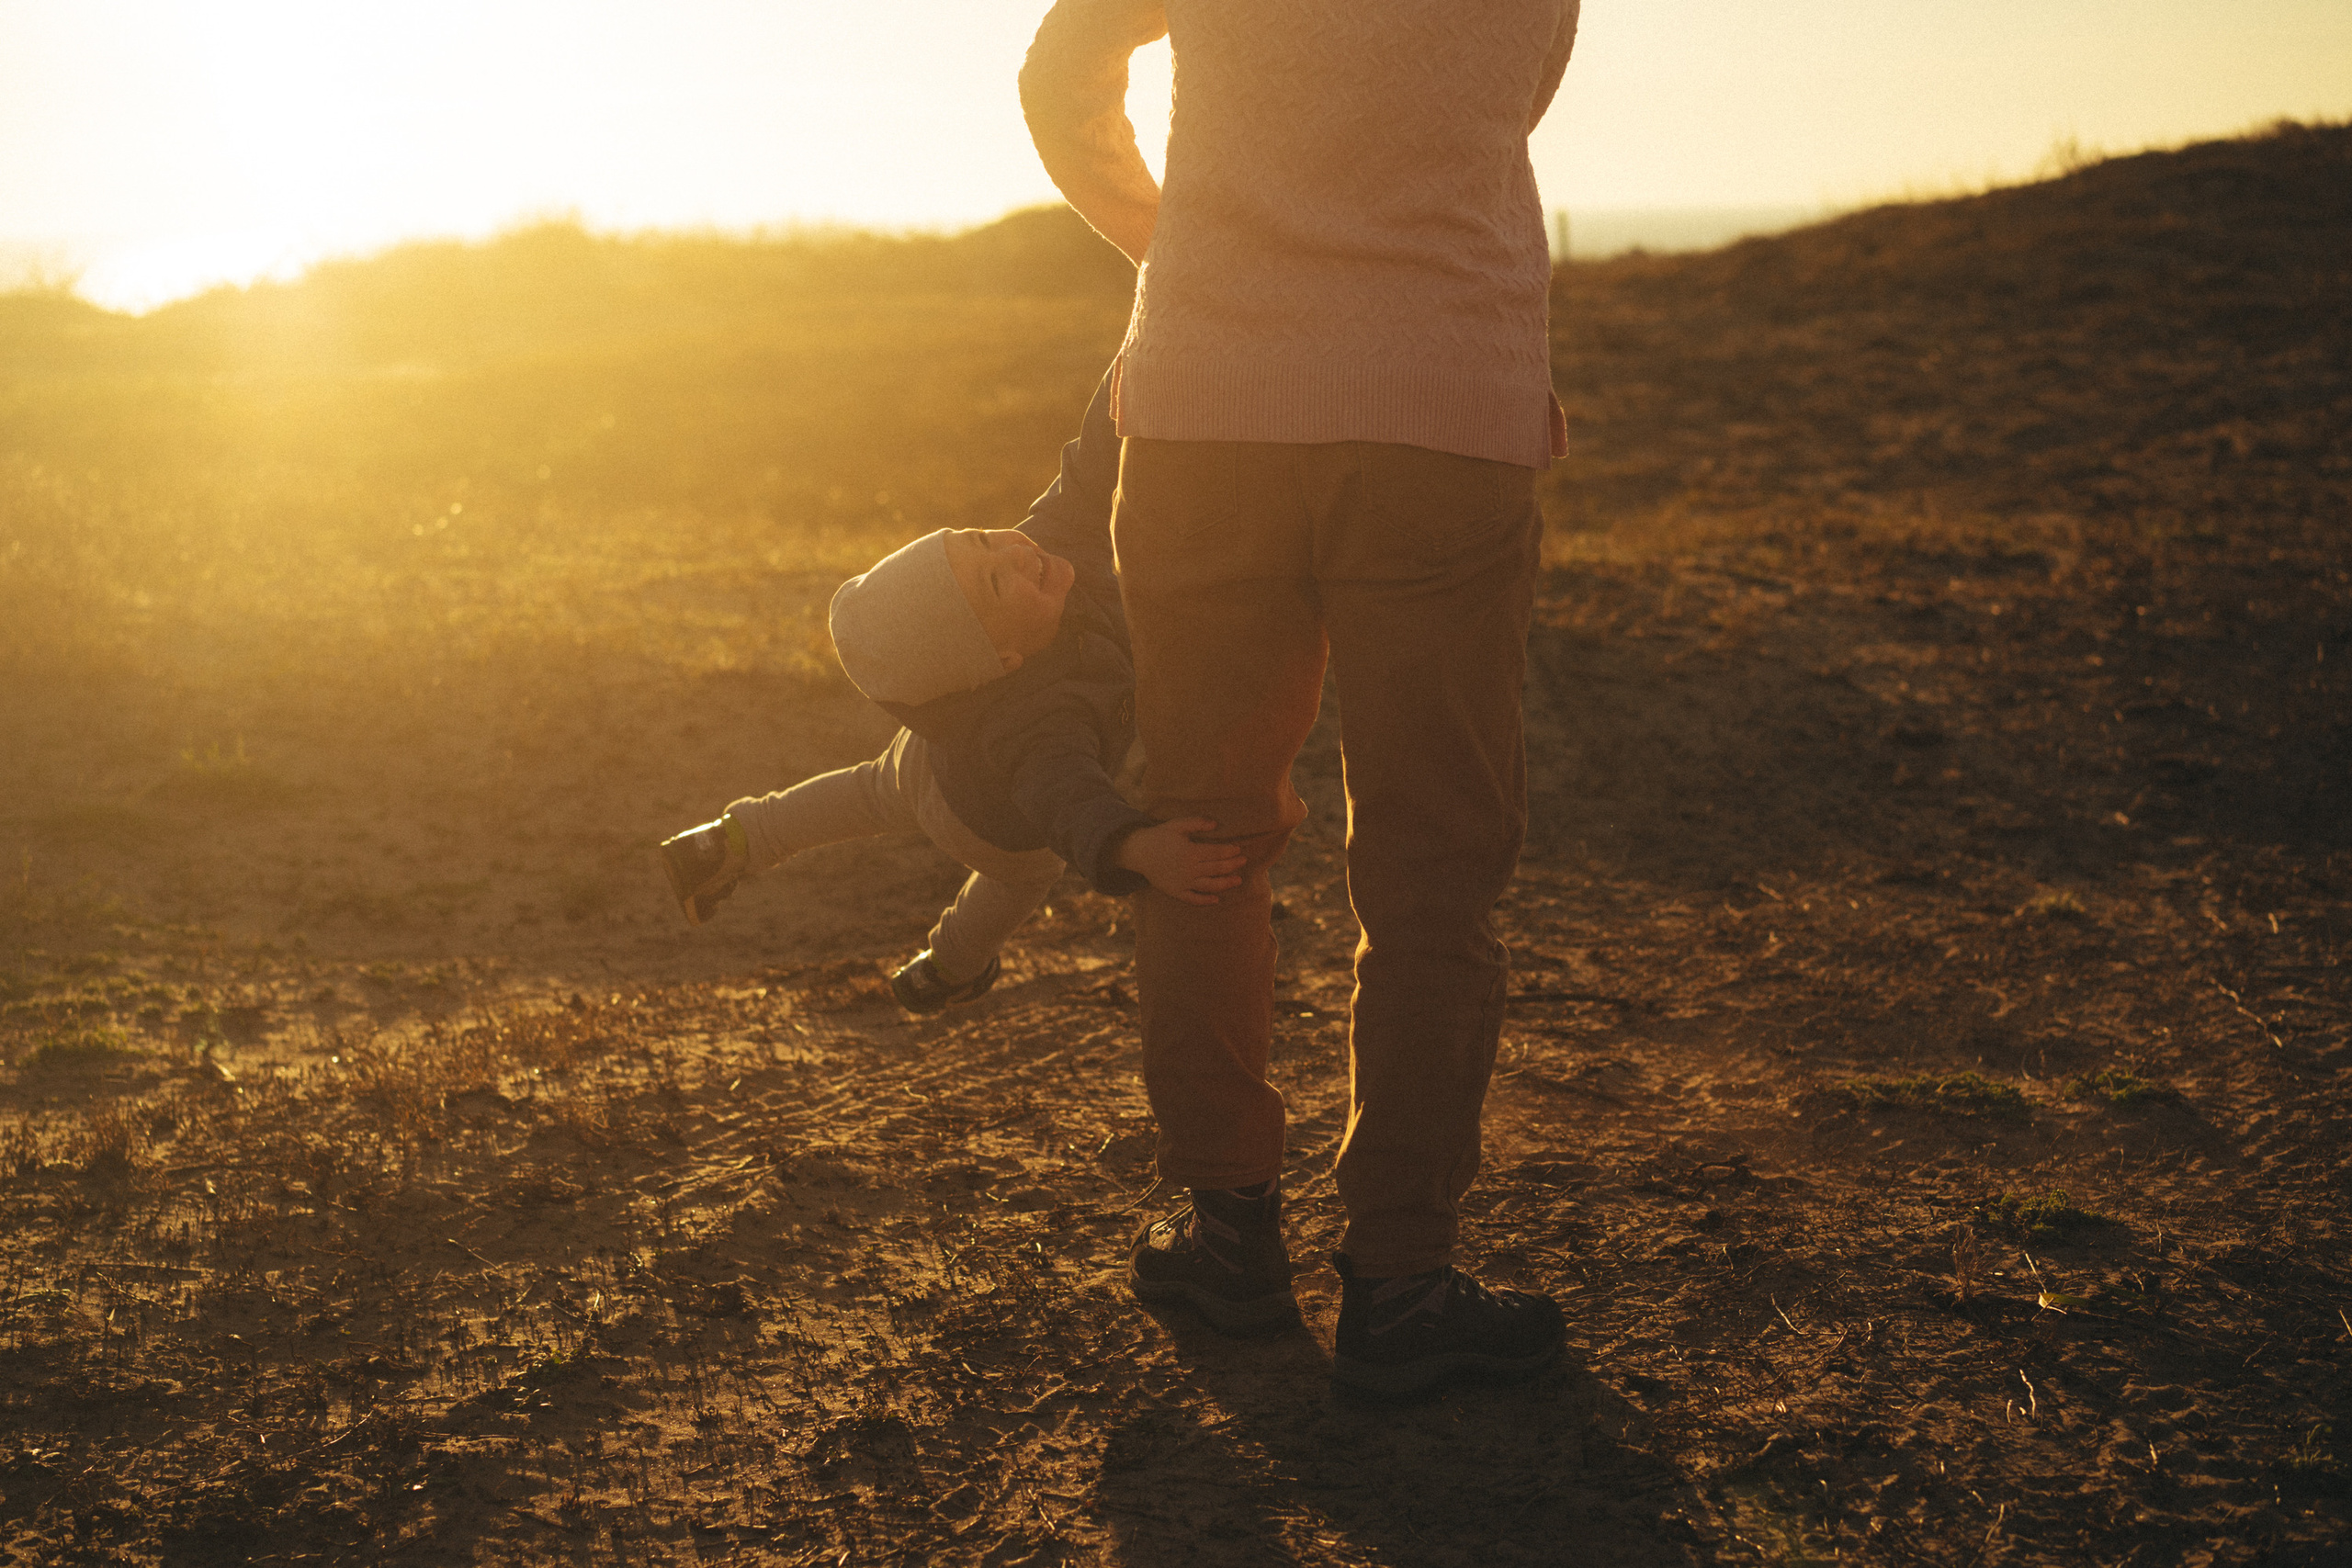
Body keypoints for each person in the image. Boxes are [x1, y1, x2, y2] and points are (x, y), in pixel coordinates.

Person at [1022, 0, 1581, 1396]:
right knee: (1432, 865)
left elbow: (1061, 71)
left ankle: (1224, 1230)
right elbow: (1513, 93)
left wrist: (1176, 237)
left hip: (1212, 400)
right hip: (1444, 402)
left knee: (1202, 823)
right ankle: (1401, 1276)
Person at [658, 371, 1243, 1009]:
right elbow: (1073, 804)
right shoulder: (1040, 730)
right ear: (1002, 658)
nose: (1015, 554)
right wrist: (1136, 846)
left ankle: (732, 840)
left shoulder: (1041, 553)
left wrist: (1133, 366)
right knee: (1018, 880)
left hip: (927, 760)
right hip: (990, 821)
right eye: (995, 582)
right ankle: (951, 964)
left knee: (868, 791)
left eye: (984, 539)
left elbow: (1087, 475)